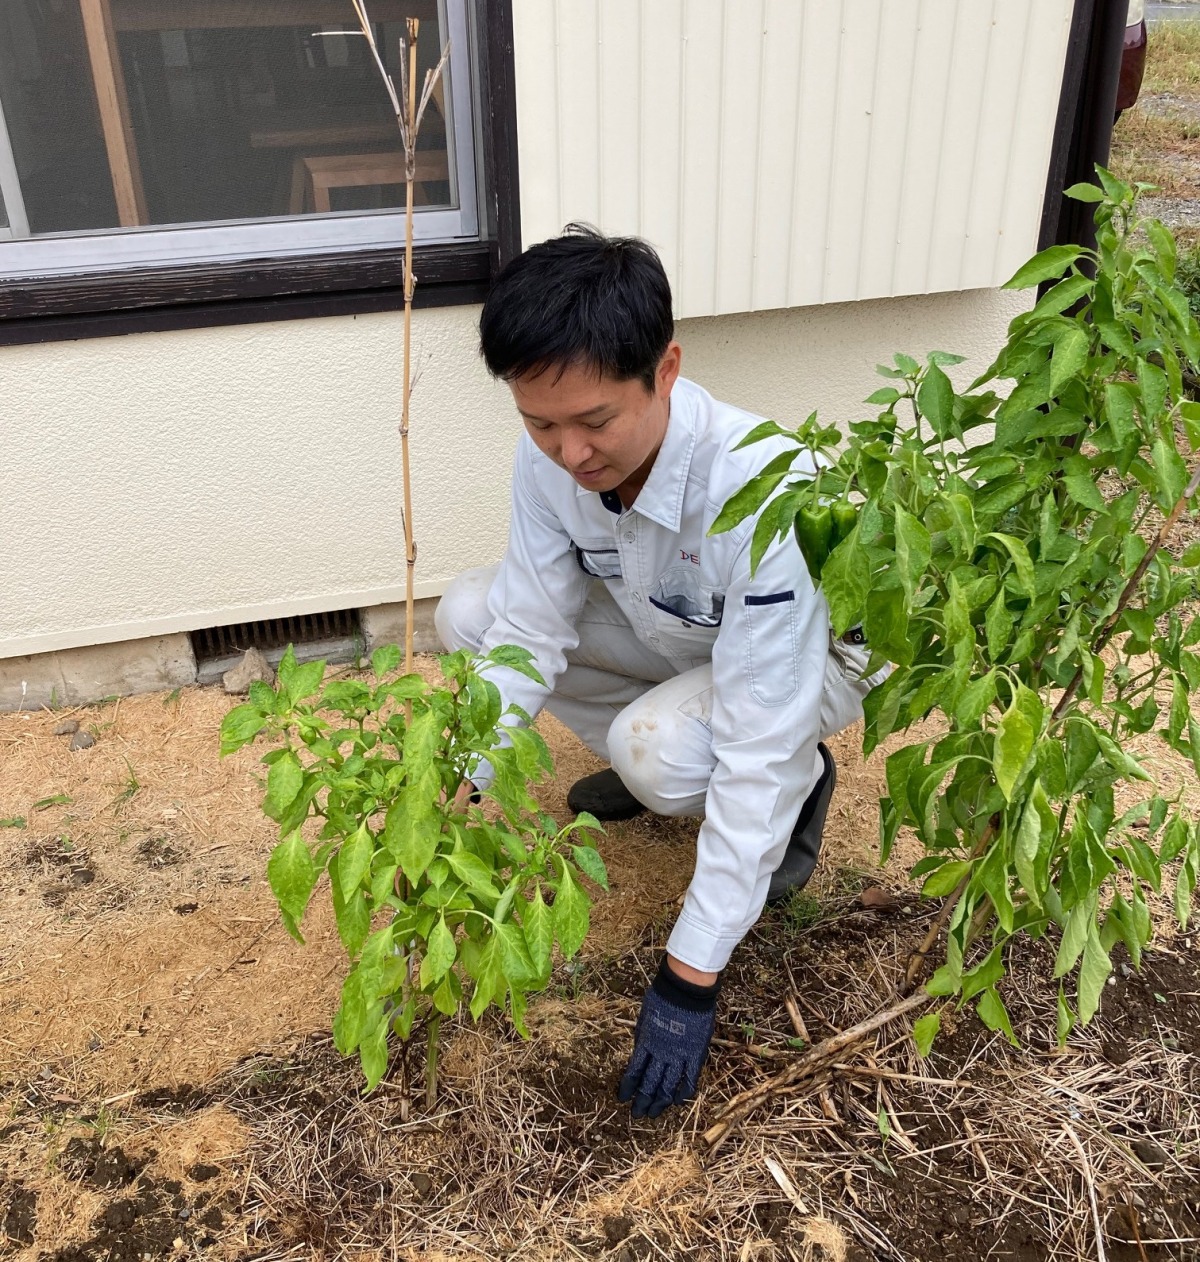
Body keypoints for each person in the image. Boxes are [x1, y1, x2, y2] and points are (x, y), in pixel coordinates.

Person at [435, 225, 885, 1120]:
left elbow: (759, 729)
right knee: (471, 614)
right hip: (681, 629)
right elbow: (530, 626)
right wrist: (456, 785)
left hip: (807, 659)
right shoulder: (553, 461)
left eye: (595, 421)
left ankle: (794, 785)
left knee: (668, 753)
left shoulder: (762, 489)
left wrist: (689, 978)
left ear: (666, 369)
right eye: (539, 423)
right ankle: (656, 749)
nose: (569, 453)